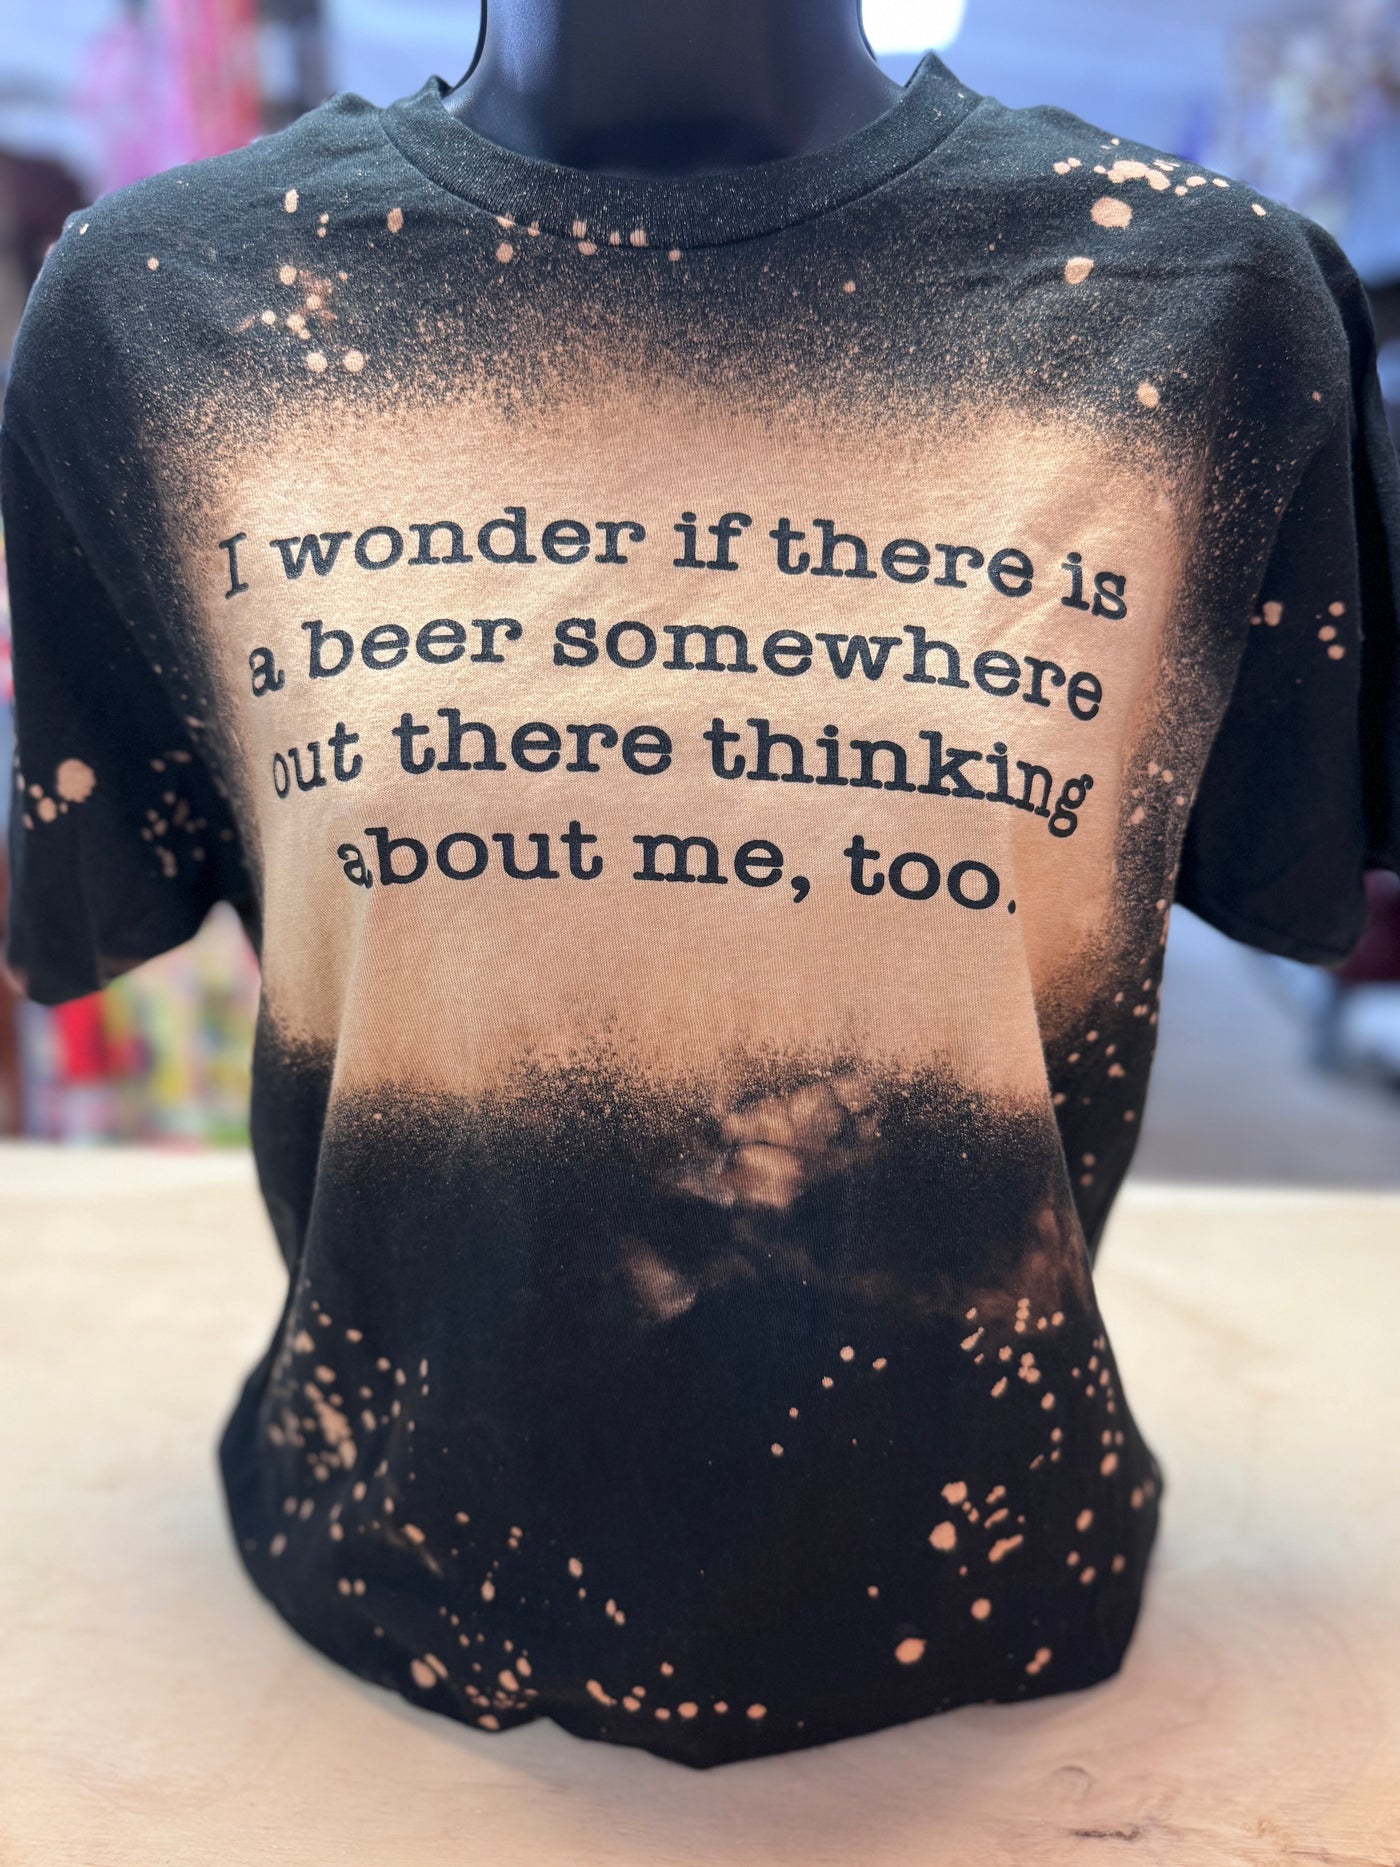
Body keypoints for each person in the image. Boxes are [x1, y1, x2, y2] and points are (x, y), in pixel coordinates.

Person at [3, 0, 1397, 1769]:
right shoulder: (161, 310)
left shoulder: (1209, 306)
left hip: (988, 1554)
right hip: (390, 1553)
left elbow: (1277, 864)